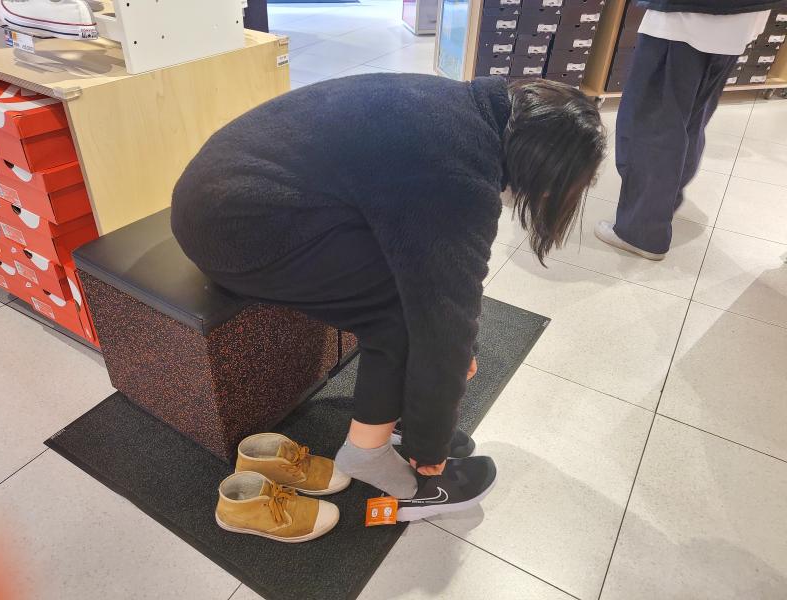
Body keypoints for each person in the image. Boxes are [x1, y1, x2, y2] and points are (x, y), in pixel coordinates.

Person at [171, 74, 605, 509]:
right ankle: (366, 454)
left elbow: (449, 285)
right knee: (398, 315)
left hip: (224, 189)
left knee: (421, 294)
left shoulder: (465, 110)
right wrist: (429, 445)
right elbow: (446, 315)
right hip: (230, 227)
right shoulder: (457, 173)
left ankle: (391, 415)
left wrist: (449, 370)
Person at [595, 0, 783, 260]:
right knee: (690, 121)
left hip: (685, 16)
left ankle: (640, 232)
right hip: (741, 17)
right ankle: (661, 206)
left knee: (651, 126)